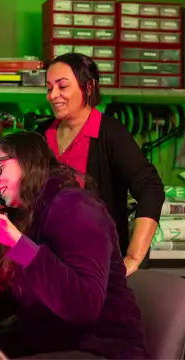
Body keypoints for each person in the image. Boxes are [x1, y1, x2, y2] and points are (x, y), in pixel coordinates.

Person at [0, 132, 149, 360]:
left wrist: (17, 243)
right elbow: (2, 307)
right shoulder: (26, 218)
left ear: (29, 160)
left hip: (100, 349)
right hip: (45, 342)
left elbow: (83, 307)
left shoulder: (77, 207)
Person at [34, 53, 165, 276]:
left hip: (95, 266)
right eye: (49, 88)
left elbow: (150, 187)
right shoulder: (41, 134)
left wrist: (133, 257)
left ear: (89, 87)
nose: (53, 95)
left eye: (62, 86)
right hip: (45, 260)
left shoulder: (110, 133)